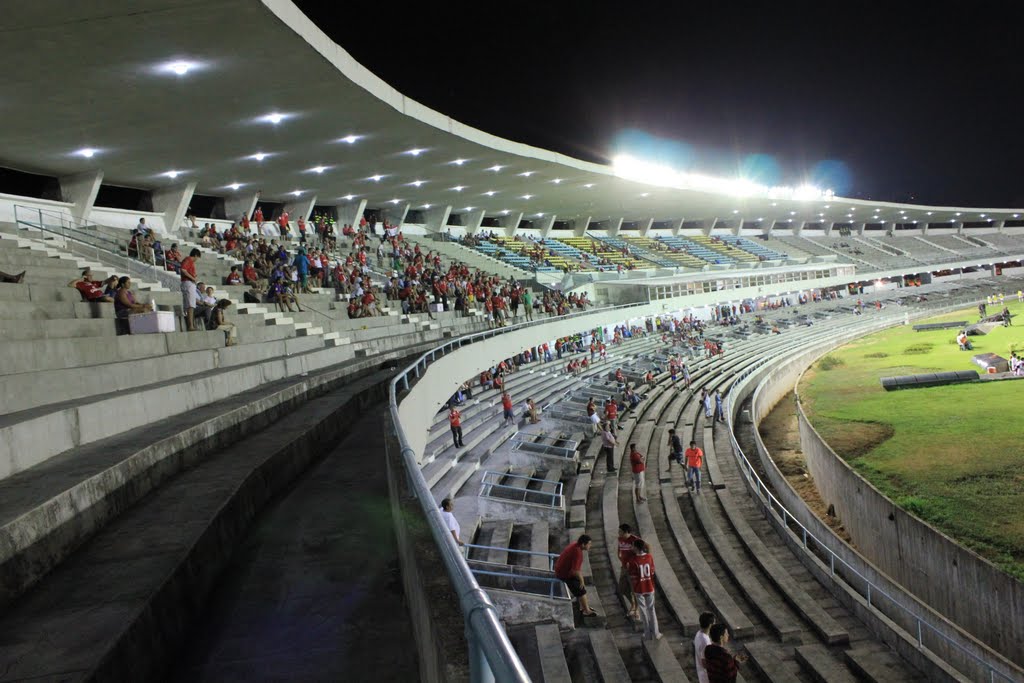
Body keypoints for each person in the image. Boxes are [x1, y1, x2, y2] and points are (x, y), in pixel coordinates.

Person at [554, 534, 597, 617]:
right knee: (581, 590)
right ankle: (586, 611)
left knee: (579, 586)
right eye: (589, 544)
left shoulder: (575, 545)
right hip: (564, 574)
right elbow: (575, 571)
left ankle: (583, 606)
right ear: (583, 544)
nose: (590, 546)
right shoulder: (577, 552)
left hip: (561, 570)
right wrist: (582, 580)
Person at [627, 538, 661, 641]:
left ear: (636, 548)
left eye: (633, 546)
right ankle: (656, 633)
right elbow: (652, 572)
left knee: (643, 610)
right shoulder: (649, 557)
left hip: (639, 588)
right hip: (649, 586)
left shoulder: (633, 561)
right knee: (651, 609)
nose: (631, 547)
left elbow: (633, 577)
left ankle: (647, 634)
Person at [617, 524, 641, 620]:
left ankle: (636, 610)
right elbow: (619, 550)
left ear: (626, 532)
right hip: (624, 568)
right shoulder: (620, 539)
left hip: (633, 569)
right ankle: (633, 604)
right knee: (622, 588)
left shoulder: (634, 539)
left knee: (634, 590)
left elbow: (647, 547)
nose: (619, 533)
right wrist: (619, 557)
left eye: (620, 531)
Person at [179, 248, 201, 331]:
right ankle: (190, 325)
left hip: (188, 283)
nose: (197, 260)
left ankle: (190, 325)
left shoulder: (189, 261)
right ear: (195, 255)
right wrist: (193, 278)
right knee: (190, 305)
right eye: (197, 257)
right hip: (188, 283)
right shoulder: (188, 260)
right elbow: (183, 270)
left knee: (189, 304)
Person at [694, 612, 716, 683]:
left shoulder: (698, 633)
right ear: (710, 625)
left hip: (701, 672)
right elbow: (704, 663)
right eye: (714, 623)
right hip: (707, 676)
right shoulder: (705, 642)